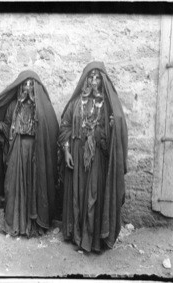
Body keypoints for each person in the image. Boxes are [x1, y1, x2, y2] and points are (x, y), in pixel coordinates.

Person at [0, 70, 59, 237]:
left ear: (36, 88)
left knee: (33, 186)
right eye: (24, 85)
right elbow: (8, 130)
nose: (27, 88)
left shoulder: (42, 109)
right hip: (17, 150)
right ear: (20, 87)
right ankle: (14, 224)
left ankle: (32, 226)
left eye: (31, 85)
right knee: (12, 184)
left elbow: (50, 132)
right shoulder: (14, 107)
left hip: (35, 153)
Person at [59, 61, 128, 252]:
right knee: (78, 195)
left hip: (97, 157)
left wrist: (113, 127)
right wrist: (66, 151)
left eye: (98, 78)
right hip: (77, 155)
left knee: (93, 196)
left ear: (102, 81)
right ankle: (77, 236)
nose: (94, 81)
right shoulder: (75, 104)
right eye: (91, 77)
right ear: (85, 80)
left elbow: (114, 137)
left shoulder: (107, 107)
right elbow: (64, 127)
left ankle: (93, 240)